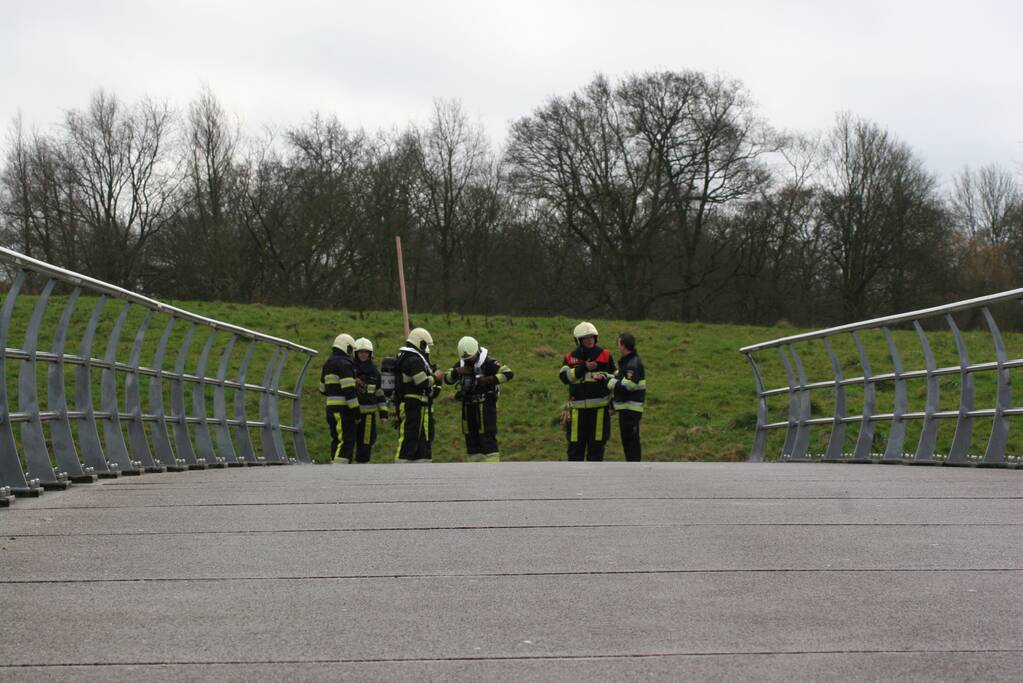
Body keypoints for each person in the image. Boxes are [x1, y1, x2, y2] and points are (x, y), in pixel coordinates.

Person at [444, 336, 513, 462]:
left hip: (485, 405)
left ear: (477, 352)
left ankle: (492, 470)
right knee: (471, 440)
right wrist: (456, 372)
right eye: (466, 359)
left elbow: (508, 373)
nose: (469, 361)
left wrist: (489, 380)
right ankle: (474, 473)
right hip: (468, 406)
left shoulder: (487, 362)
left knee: (487, 438)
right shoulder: (461, 363)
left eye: (471, 358)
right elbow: (447, 379)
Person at [558, 322, 616, 461]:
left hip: (600, 413)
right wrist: (583, 368)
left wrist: (604, 377)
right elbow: (564, 377)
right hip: (577, 413)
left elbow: (615, 377)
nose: (589, 340)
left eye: (591, 337)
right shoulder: (570, 357)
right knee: (575, 451)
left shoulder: (605, 355)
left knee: (596, 450)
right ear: (579, 340)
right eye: (585, 338)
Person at [394, 327, 445, 463]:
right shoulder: (414, 360)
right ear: (420, 343)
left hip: (419, 406)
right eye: (425, 344)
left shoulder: (408, 357)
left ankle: (421, 472)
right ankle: (401, 468)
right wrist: (436, 377)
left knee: (423, 440)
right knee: (409, 438)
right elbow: (422, 382)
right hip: (413, 405)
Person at [319, 333, 359, 463]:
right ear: (347, 348)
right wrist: (356, 411)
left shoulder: (327, 364)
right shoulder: (345, 364)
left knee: (336, 438)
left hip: (330, 408)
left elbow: (322, 389)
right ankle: (339, 469)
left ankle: (334, 462)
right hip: (344, 409)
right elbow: (349, 391)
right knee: (346, 439)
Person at [608, 332, 646, 462]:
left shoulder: (632, 363)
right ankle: (632, 466)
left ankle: (634, 468)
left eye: (618, 344)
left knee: (631, 442)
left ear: (623, 345)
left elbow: (629, 385)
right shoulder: (628, 362)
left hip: (631, 410)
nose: (618, 346)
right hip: (626, 409)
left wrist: (614, 383)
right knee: (628, 441)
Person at [352, 337, 388, 463]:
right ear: (355, 354)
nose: (363, 355)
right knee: (350, 440)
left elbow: (380, 393)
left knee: (366, 442)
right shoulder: (350, 369)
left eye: (366, 352)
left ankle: (363, 467)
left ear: (370, 354)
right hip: (352, 414)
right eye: (361, 352)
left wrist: (383, 414)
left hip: (368, 417)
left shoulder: (375, 372)